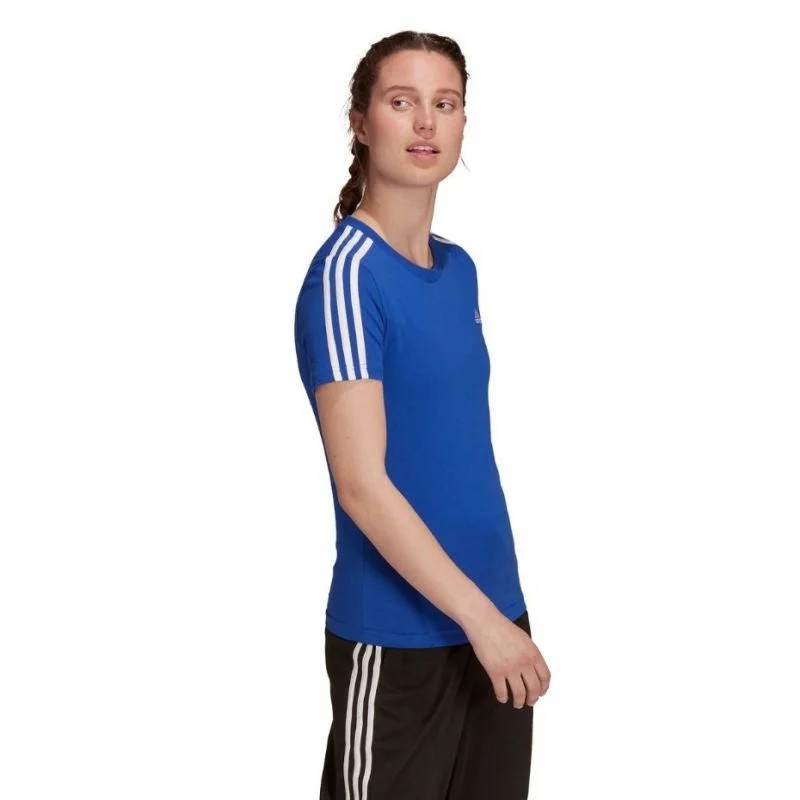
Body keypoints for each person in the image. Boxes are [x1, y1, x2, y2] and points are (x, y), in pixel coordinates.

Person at [293, 30, 551, 800]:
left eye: (446, 103)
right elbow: (363, 486)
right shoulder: (347, 277)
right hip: (399, 638)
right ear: (361, 122)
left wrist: (496, 620)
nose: (427, 123)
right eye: (402, 102)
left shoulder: (459, 268)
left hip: (495, 617)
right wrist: (482, 621)